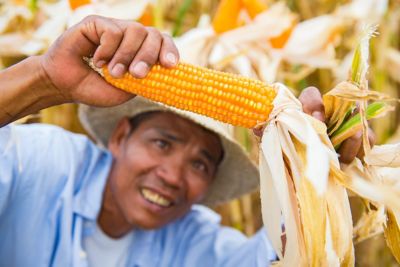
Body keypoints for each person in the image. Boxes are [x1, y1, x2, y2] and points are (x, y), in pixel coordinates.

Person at [0, 15, 367, 266]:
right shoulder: (40, 162)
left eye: (200, 164)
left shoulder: (194, 241)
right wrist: (44, 80)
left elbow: (273, 257)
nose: (174, 176)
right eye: (162, 143)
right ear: (120, 136)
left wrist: (309, 185)